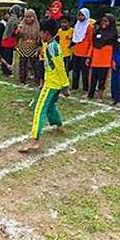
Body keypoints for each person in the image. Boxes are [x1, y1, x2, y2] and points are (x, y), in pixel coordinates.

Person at [19, 19, 70, 153]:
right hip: (54, 83)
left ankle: (35, 139)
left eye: (41, 32)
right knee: (51, 106)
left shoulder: (53, 47)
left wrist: (65, 85)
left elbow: (60, 66)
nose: (39, 35)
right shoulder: (49, 44)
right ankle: (58, 125)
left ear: (46, 33)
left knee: (39, 109)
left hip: (53, 84)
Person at [86, 14, 117, 101]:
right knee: (92, 78)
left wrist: (112, 61)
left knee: (102, 80)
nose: (103, 23)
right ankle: (90, 94)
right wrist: (89, 57)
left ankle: (100, 96)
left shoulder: (113, 35)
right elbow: (92, 45)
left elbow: (114, 49)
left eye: (106, 21)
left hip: (105, 61)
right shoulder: (97, 32)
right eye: (103, 21)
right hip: (95, 60)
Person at [16, 9, 41, 85]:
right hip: (23, 45)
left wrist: (38, 47)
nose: (28, 19)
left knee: (34, 64)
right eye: (27, 17)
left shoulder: (37, 26)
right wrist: (19, 32)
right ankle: (22, 79)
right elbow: (17, 36)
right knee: (22, 63)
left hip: (33, 46)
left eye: (30, 17)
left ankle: (37, 79)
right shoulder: (22, 25)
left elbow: (39, 38)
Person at [71, 8, 94, 92]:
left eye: (82, 15)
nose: (80, 17)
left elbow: (91, 42)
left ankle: (85, 88)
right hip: (76, 51)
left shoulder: (89, 27)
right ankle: (74, 86)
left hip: (85, 53)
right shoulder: (77, 25)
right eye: (79, 15)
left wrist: (89, 55)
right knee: (75, 71)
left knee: (85, 72)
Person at [0, 6, 21, 76]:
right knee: (8, 56)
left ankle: (5, 70)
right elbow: (13, 31)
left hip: (7, 39)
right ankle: (7, 71)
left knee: (6, 56)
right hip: (9, 40)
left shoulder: (12, 18)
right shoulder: (14, 19)